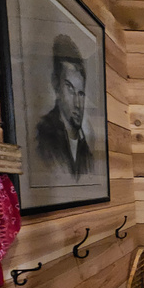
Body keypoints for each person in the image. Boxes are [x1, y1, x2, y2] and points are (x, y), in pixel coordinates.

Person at [36, 34, 93, 180]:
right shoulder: (43, 136)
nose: (77, 104)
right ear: (56, 85)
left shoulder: (85, 149)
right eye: (70, 89)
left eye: (81, 93)